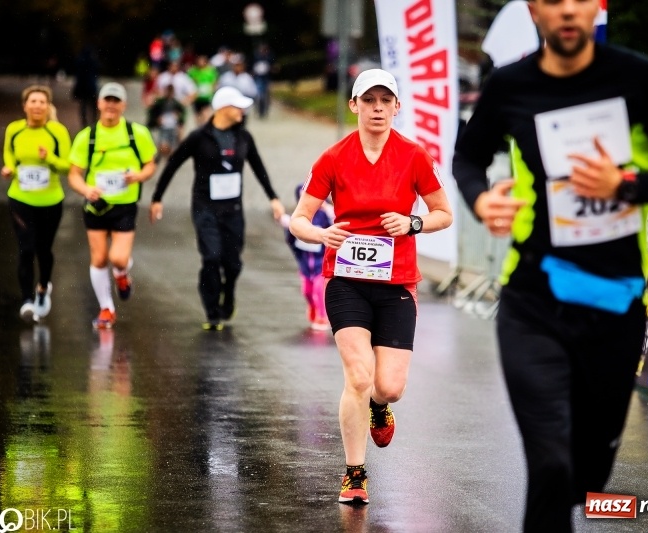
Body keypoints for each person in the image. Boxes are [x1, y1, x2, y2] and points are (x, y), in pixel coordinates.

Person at [451, 1, 648, 531]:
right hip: (533, 301)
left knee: (587, 476)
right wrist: (481, 200)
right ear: (534, 9)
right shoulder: (510, 86)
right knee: (549, 462)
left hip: (614, 306)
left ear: (596, 5)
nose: (567, 10)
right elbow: (467, 157)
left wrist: (627, 186)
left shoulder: (635, 76)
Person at [288, 69, 453, 505]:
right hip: (346, 282)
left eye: (386, 100)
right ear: (354, 105)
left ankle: (381, 407)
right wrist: (320, 234)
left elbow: (443, 213)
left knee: (389, 385)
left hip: (397, 282)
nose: (377, 108)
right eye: (369, 100)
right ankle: (354, 473)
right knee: (358, 377)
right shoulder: (333, 158)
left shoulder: (414, 156)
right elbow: (298, 219)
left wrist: (412, 222)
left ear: (397, 107)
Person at [149, 86, 285, 330]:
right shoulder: (198, 137)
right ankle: (212, 311)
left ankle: (229, 292)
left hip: (232, 209)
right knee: (211, 257)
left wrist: (273, 198)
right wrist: (157, 198)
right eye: (239, 107)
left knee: (232, 264)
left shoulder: (244, 137)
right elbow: (172, 165)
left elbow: (258, 167)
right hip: (205, 208)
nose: (243, 111)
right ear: (223, 108)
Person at [67, 82, 157, 329]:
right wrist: (86, 189)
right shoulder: (88, 136)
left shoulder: (135, 133)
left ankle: (122, 274)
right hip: (96, 206)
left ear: (123, 105)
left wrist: (138, 176)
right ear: (99, 103)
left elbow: (150, 165)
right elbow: (74, 174)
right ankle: (107, 308)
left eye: (116, 101)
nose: (111, 105)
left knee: (118, 258)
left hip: (124, 205)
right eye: (107, 100)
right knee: (99, 258)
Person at [1, 85, 71, 322]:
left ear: (48, 106)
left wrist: (48, 158)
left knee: (44, 249)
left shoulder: (57, 131)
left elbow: (67, 166)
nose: (38, 106)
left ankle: (43, 287)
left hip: (51, 200)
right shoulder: (14, 129)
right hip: (20, 198)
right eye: (33, 101)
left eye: (42, 102)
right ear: (25, 106)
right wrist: (9, 168)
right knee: (26, 248)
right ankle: (27, 300)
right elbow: (9, 154)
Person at [279, 184, 334, 331]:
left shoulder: (324, 215)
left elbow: (334, 224)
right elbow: (291, 234)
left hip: (321, 263)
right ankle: (312, 307)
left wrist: (328, 211)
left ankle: (323, 317)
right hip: (305, 265)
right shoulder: (298, 217)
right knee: (307, 291)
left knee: (318, 289)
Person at [146, 83, 186, 159]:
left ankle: (168, 159)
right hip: (163, 127)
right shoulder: (160, 102)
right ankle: (160, 157)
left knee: (172, 146)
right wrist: (157, 119)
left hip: (173, 127)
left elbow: (182, 114)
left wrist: (179, 118)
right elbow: (152, 112)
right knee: (163, 145)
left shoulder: (176, 103)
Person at [72, 45, 99, 128]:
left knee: (83, 106)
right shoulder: (93, 60)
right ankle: (94, 121)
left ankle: (84, 122)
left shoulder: (80, 60)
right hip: (91, 86)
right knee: (93, 106)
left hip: (82, 86)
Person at [187, 54, 219, 125]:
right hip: (197, 97)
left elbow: (215, 82)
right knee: (197, 117)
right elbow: (189, 82)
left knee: (206, 116)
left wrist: (212, 91)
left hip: (206, 97)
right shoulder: (193, 71)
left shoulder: (210, 71)